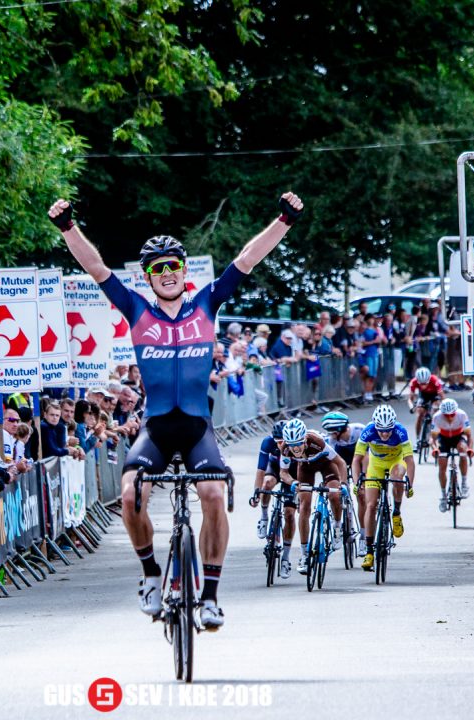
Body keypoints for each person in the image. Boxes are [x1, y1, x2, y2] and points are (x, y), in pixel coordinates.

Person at [49, 190, 304, 630]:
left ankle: (210, 596)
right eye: (156, 268)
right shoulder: (136, 309)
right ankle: (150, 575)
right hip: (157, 427)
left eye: (172, 266)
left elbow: (246, 258)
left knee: (213, 496)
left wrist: (284, 220)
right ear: (147, 277)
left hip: (197, 427)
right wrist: (68, 226)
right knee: (130, 495)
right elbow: (96, 268)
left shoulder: (206, 302)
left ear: (184, 271)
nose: (166, 273)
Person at [277, 419, 348, 576]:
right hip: (305, 469)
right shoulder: (286, 448)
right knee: (304, 506)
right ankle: (305, 554)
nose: (295, 448)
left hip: (325, 464)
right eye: (291, 444)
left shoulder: (317, 442)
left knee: (334, 494)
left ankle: (337, 526)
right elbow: (283, 472)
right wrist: (293, 482)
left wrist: (343, 484)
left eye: (298, 444)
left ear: (304, 439)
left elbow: (341, 463)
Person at [353, 405, 415, 572]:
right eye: (381, 431)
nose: (385, 434)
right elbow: (357, 459)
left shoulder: (400, 431)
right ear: (375, 426)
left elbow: (409, 460)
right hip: (376, 465)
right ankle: (369, 551)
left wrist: (410, 482)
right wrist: (356, 480)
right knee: (371, 505)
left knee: (397, 478)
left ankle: (396, 512)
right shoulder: (368, 431)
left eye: (388, 430)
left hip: (396, 462)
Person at [321, 410, 367, 557]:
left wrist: (362, 480)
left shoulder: (360, 430)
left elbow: (366, 458)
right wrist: (341, 484)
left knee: (362, 495)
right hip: (340, 459)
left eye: (332, 432)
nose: (330, 435)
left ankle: (364, 537)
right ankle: (340, 525)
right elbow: (333, 463)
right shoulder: (332, 441)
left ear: (341, 430)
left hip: (359, 458)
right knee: (339, 490)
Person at [430, 398, 473, 511]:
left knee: (462, 450)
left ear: (456, 411)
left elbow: (469, 436)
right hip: (443, 438)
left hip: (458, 436)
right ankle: (443, 495)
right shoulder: (437, 417)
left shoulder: (462, 415)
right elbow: (432, 438)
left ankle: (464, 483)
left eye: (452, 414)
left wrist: (469, 449)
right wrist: (435, 449)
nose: (449, 417)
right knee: (442, 464)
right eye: (446, 415)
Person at [406, 366, 444, 442]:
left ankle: (434, 432)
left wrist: (442, 406)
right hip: (423, 396)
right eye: (421, 384)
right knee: (419, 413)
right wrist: (412, 407)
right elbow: (410, 399)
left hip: (435, 395)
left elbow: (442, 397)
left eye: (425, 383)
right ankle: (417, 438)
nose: (423, 386)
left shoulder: (434, 380)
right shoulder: (414, 382)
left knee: (435, 409)